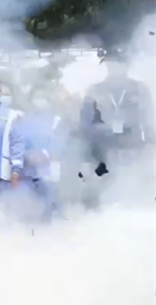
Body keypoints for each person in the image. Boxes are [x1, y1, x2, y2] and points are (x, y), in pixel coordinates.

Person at [79, 48, 154, 206]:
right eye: (111, 64)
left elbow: (149, 121)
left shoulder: (140, 90)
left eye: (118, 64)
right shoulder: (95, 91)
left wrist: (150, 148)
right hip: (103, 153)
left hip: (133, 150)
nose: (114, 68)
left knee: (135, 195)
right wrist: (106, 129)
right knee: (103, 198)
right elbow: (86, 125)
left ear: (126, 66)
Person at [22, 85, 66, 218]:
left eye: (43, 97)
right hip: (28, 171)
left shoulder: (57, 120)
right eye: (36, 97)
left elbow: (60, 142)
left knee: (51, 204)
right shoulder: (23, 120)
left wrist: (44, 155)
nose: (39, 100)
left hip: (50, 171)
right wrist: (28, 155)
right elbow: (18, 142)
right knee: (30, 207)